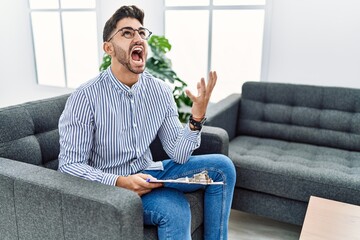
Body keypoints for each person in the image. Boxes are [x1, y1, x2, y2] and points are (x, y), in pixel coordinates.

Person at [58, 5, 236, 240]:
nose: (138, 38)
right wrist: (120, 181)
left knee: (223, 168)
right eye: (127, 33)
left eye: (141, 33)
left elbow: (178, 154)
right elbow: (69, 165)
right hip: (110, 187)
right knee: (175, 209)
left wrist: (196, 118)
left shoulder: (160, 91)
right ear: (108, 48)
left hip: (148, 173)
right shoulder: (86, 97)